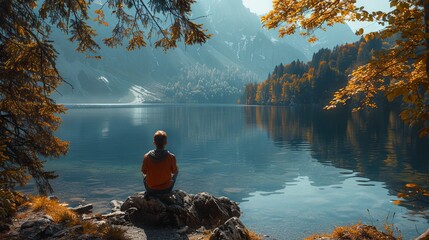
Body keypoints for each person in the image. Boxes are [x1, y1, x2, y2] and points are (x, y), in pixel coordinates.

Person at [141, 130, 178, 196]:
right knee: (176, 171)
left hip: (150, 189)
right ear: (166, 143)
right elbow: (174, 171)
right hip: (166, 189)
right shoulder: (171, 157)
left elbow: (144, 172)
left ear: (154, 143)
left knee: (143, 175)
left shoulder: (147, 156)